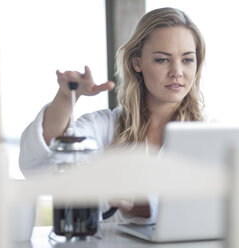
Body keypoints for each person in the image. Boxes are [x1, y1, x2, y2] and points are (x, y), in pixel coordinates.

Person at [19, 7, 206, 224]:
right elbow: (42, 159)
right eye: (162, 59)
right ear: (137, 63)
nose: (177, 71)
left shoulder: (210, 135)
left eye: (187, 60)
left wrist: (142, 207)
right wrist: (66, 96)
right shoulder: (104, 127)